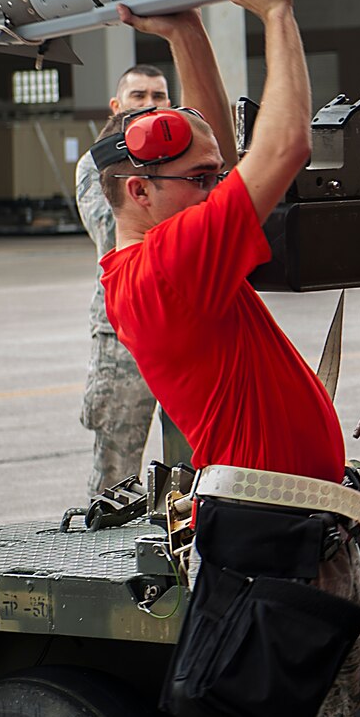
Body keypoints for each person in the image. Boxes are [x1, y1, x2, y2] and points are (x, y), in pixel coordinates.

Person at [100, 0, 360, 717]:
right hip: (275, 545)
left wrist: (190, 29)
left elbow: (233, 156)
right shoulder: (164, 270)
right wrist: (273, 11)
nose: (214, 188)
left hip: (296, 538)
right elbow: (276, 152)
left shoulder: (174, 245)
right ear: (135, 193)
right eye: (193, 183)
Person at [76, 55, 210, 496]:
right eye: (138, 96)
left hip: (184, 329)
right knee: (117, 472)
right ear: (117, 103)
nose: (148, 104)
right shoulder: (100, 165)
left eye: (158, 97)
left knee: (192, 466)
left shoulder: (182, 165)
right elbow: (113, 230)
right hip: (123, 335)